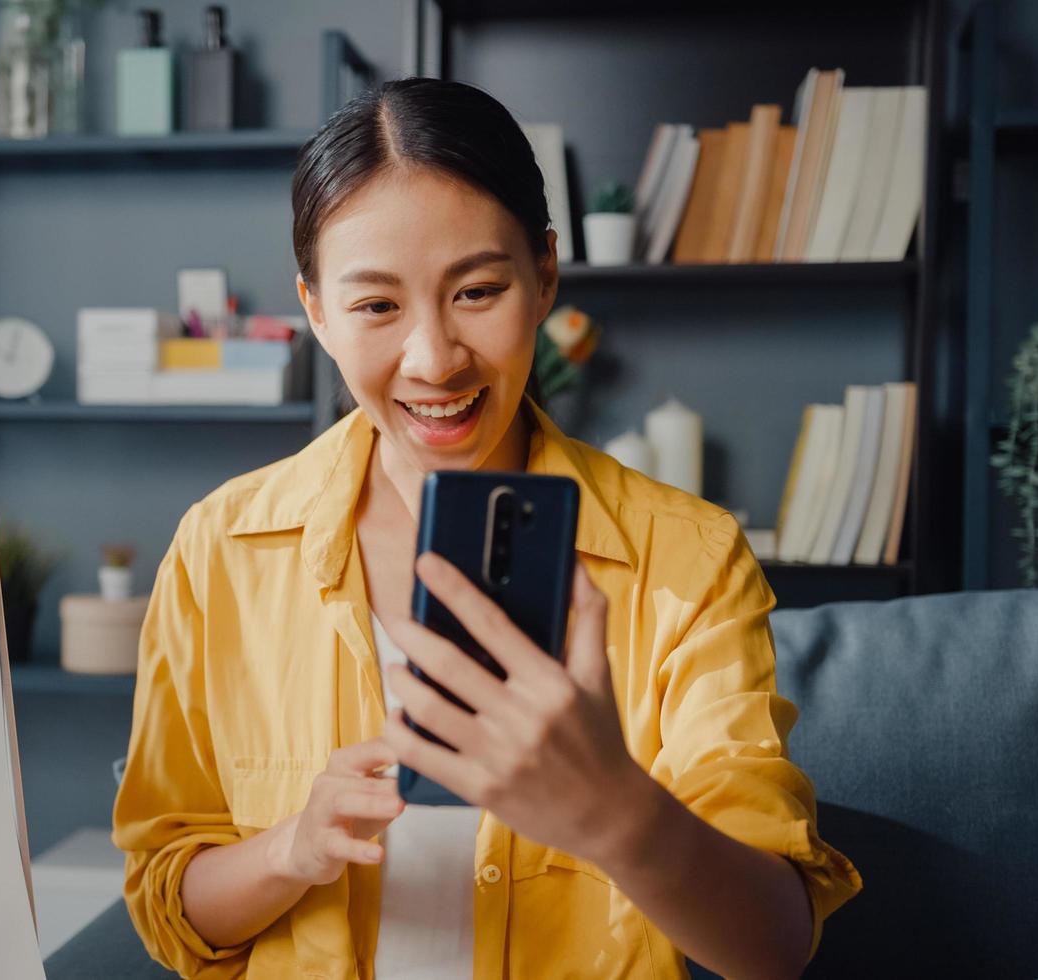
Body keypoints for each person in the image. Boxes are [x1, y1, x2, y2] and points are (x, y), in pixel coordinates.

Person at [112, 77, 860, 979]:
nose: (433, 359)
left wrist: (612, 811)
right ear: (314, 309)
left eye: (476, 291)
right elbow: (166, 901)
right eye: (376, 306)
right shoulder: (219, 549)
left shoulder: (684, 557)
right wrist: (291, 850)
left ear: (544, 274)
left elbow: (771, 950)